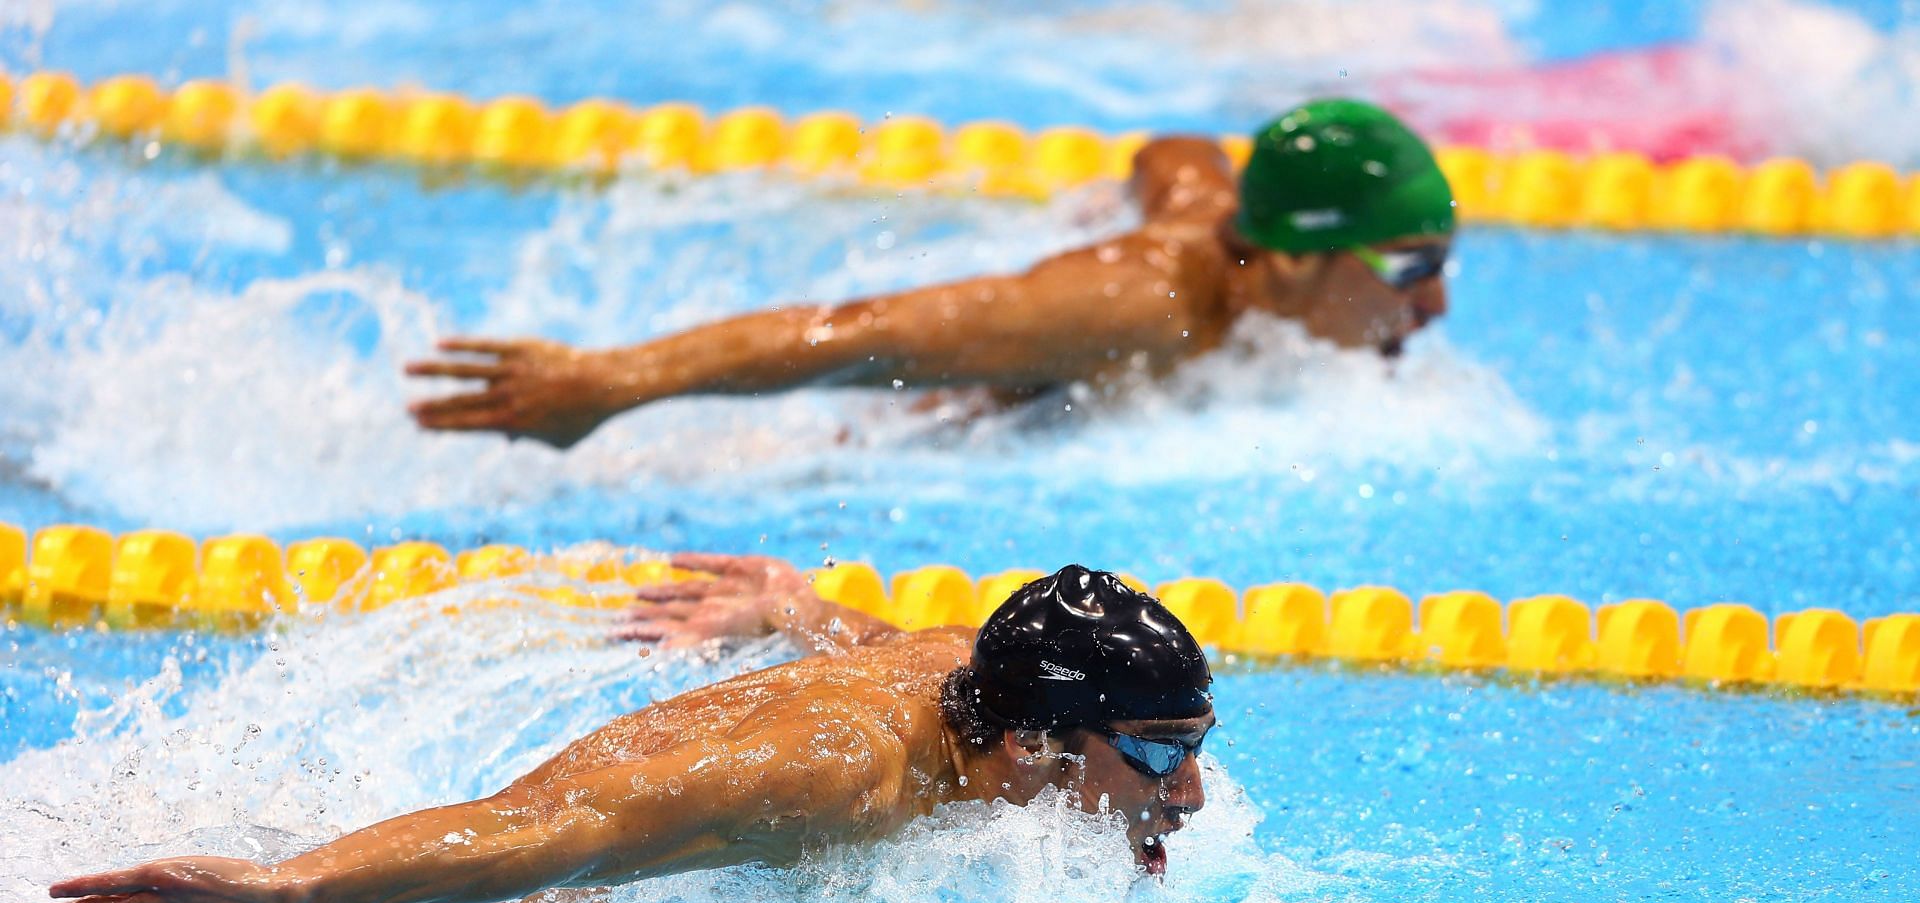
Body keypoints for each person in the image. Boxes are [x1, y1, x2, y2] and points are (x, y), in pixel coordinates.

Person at [8, 557, 1216, 903]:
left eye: (1194, 749)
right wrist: (282, 902)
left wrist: (797, 608)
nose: (1192, 794)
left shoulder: (982, 686)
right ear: (1033, 743)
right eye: (1160, 755)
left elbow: (917, 647)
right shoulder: (834, 773)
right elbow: (544, 836)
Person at [405, 99, 1454, 448]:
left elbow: (1177, 153)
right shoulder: (1134, 305)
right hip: (921, 431)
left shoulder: (1227, 219)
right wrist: (611, 384)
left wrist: (1105, 199)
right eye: (1411, 265)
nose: (1435, 301)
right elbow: (861, 331)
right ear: (1302, 256)